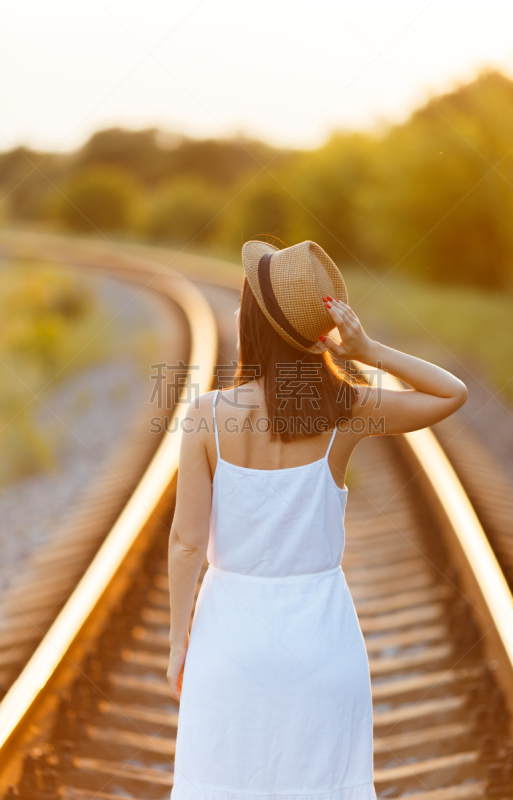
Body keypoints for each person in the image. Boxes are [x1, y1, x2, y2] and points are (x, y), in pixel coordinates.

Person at [167, 240, 468, 800]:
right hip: (322, 644)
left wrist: (178, 643)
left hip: (230, 642)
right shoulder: (346, 410)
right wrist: (368, 350)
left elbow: (187, 544)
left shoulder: (207, 416)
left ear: (252, 322)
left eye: (243, 304)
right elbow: (451, 393)